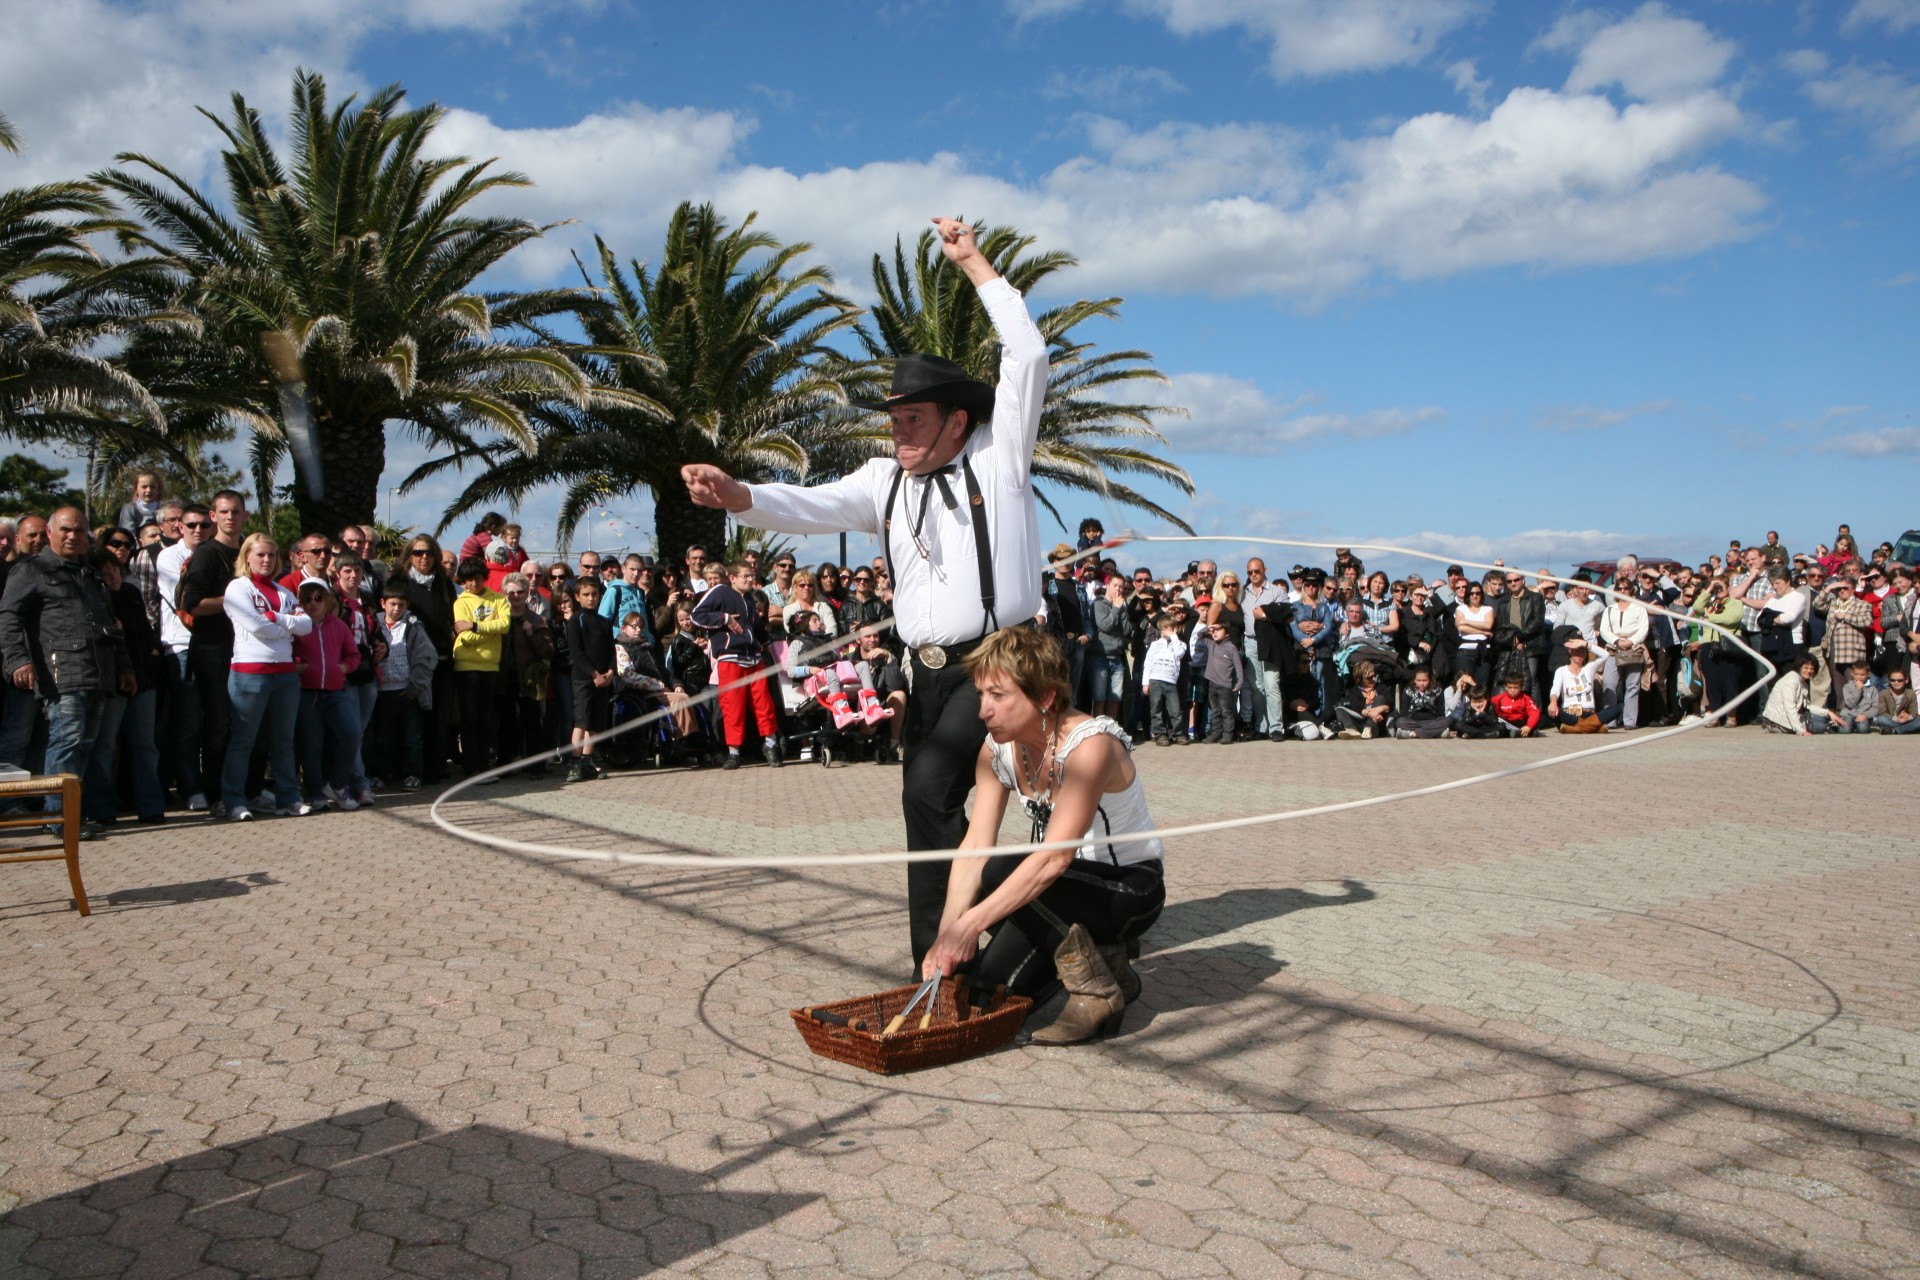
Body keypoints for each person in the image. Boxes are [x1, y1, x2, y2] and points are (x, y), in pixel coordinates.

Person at [682, 216, 1046, 972]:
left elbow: (1028, 350)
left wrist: (973, 261)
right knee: (929, 804)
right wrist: (737, 493)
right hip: (927, 668)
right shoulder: (882, 482)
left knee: (931, 791)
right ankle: (948, 956)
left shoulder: (1000, 454)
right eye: (893, 420)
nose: (900, 433)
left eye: (913, 419)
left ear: (957, 420)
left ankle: (972, 946)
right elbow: (807, 504)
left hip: (1002, 664)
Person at [919, 627, 1164, 1044]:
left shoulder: (1091, 746)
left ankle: (1097, 990)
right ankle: (1111, 968)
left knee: (999, 872)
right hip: (1056, 895)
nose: (983, 711)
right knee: (985, 995)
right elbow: (975, 846)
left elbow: (1055, 859)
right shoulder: (996, 749)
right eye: (981, 695)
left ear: (1046, 696)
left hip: (1129, 891)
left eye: (998, 696)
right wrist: (948, 934)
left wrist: (973, 924)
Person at [0, 508, 135, 837]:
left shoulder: (90, 572)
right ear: (50, 532)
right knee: (66, 742)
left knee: (85, 745)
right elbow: (8, 617)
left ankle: (69, 813)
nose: (72, 536)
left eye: (78, 530)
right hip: (60, 674)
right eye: (65, 530)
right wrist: (17, 660)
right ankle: (58, 818)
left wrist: (125, 668)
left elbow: (109, 624)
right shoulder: (31, 570)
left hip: (99, 672)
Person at [220, 534, 312, 820]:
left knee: (284, 742)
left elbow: (306, 625)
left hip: (285, 674)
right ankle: (234, 800)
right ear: (247, 556)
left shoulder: (283, 592)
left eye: (271, 555)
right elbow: (256, 626)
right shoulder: (238, 588)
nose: (266, 560)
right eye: (260, 554)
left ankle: (288, 798)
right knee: (243, 740)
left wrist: (277, 618)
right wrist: (286, 624)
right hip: (250, 674)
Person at [178, 490, 249, 813]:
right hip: (213, 648)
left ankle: (248, 788)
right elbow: (191, 603)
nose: (230, 517)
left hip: (248, 650)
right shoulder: (206, 553)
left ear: (245, 515)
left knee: (246, 724)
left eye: (236, 511)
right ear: (213, 516)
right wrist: (235, 601)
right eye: (224, 512)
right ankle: (215, 793)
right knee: (218, 724)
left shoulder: (251, 551)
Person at [690, 560, 782, 770]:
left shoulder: (750, 598)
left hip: (754, 658)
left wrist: (767, 643)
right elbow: (696, 616)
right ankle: (734, 752)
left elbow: (756, 627)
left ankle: (771, 744)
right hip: (730, 658)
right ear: (732, 578)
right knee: (733, 705)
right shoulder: (720, 591)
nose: (750, 579)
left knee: (764, 703)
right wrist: (724, 618)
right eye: (745, 576)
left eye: (751, 576)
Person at [291, 581, 363, 809]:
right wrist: (299, 666)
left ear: (328, 600)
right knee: (311, 744)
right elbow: (286, 653)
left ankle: (338, 785)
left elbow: (353, 654)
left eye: (318, 598)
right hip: (306, 692)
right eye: (307, 599)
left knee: (351, 733)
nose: (313, 603)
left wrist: (344, 668)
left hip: (335, 692)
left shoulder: (339, 626)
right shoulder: (296, 626)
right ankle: (315, 793)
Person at [371, 579, 436, 789]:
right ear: (383, 603)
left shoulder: (414, 627)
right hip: (380, 691)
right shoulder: (373, 624)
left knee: (412, 738)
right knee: (382, 738)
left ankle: (413, 774)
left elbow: (426, 657)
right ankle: (381, 774)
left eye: (401, 604)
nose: (397, 609)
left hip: (407, 691)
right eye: (392, 604)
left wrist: (416, 687)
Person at [451, 557, 511, 778]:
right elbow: (465, 637)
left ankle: (484, 766)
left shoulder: (498, 599)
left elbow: (504, 625)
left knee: (486, 720)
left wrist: (475, 626)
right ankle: (471, 767)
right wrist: (489, 630)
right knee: (469, 719)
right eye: (468, 580)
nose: (473, 584)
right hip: (467, 666)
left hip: (491, 667)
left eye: (477, 579)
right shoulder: (461, 601)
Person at [565, 576, 616, 783]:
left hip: (603, 679)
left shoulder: (604, 622)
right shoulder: (575, 621)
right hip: (583, 679)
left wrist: (610, 672)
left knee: (595, 722)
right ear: (577, 597)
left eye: (595, 594)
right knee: (581, 720)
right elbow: (577, 653)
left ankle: (587, 760)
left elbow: (612, 650)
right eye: (586, 595)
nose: (591, 598)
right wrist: (593, 674)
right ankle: (574, 763)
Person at [1199, 619, 1244, 743]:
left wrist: (1239, 682)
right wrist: (1209, 627)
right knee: (1215, 711)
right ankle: (1215, 734)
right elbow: (1199, 635)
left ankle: (1228, 734)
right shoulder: (1211, 643)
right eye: (1214, 631)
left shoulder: (1231, 648)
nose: (1215, 632)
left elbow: (1238, 667)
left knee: (1226, 711)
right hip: (1212, 684)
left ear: (1227, 633)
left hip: (1225, 685)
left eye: (1219, 630)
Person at [1547, 643, 1603, 732]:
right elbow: (1555, 689)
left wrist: (1586, 644)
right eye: (1576, 652)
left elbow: (1605, 655)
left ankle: (1575, 728)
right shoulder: (1561, 671)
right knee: (1552, 712)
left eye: (1582, 652)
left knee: (1615, 709)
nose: (1579, 655)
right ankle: (1592, 726)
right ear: (1570, 652)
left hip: (1588, 712)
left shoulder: (1589, 669)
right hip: (1569, 713)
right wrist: (1553, 702)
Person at [1490, 672, 1542, 737]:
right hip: (1505, 722)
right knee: (1499, 722)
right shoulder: (1499, 698)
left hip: (1521, 722)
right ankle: (1519, 733)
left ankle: (1518, 732)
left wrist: (1529, 726)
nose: (1512, 690)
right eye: (1510, 687)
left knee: (1538, 720)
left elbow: (1534, 712)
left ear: (1521, 687)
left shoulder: (1526, 698)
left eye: (1515, 688)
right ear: (1506, 687)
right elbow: (1488, 704)